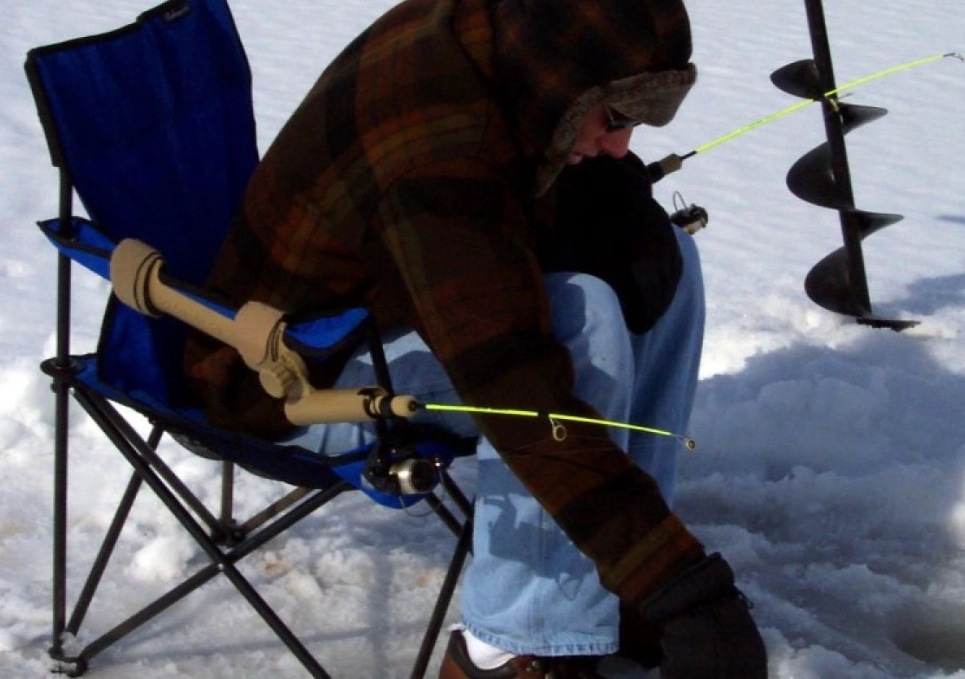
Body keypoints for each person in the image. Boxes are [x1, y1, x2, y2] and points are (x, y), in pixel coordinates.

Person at [184, 0, 768, 677]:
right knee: (582, 326)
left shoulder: (492, 30)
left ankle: (610, 579)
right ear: (561, 80)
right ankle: (516, 642)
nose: (621, 144)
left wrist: (599, 200)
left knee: (668, 256)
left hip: (387, 299)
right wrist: (686, 592)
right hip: (290, 377)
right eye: (614, 118)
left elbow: (496, 188)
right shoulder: (438, 148)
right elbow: (517, 392)